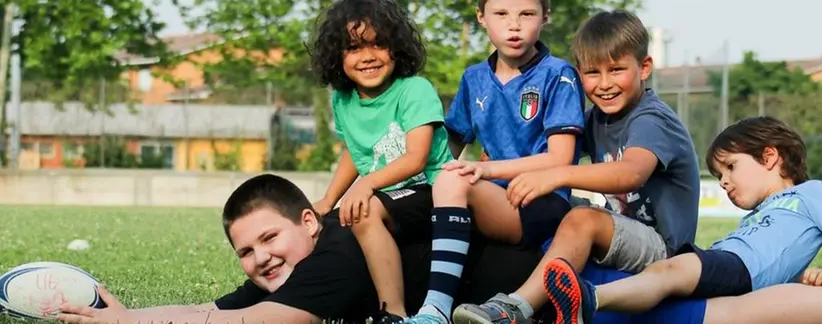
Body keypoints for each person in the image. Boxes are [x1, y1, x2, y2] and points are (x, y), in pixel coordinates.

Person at [451, 9, 701, 324]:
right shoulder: (596, 119)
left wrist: (554, 174)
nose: (605, 84)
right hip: (619, 230)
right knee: (551, 210)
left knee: (582, 217)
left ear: (644, 67)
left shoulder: (651, 118)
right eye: (592, 73)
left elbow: (630, 174)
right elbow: (544, 149)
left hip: (663, 249)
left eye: (617, 69)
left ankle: (516, 308)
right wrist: (498, 161)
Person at [57, 173, 546, 324]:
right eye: (246, 251)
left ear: (310, 222)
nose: (261, 258)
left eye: (270, 238)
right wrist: (129, 315)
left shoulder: (338, 254)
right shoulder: (290, 268)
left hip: (539, 297)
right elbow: (211, 309)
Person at [403, 0, 587, 324]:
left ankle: (435, 309)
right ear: (481, 17)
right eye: (502, 14)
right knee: (434, 182)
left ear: (546, 17)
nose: (514, 26)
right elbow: (449, 146)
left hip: (540, 201)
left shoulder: (559, 75)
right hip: (494, 196)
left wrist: (485, 171)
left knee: (455, 179)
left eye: (527, 14)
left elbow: (560, 159)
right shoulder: (474, 78)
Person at [545, 116, 822, 324]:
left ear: (769, 157)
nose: (724, 183)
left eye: (731, 167)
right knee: (664, 286)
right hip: (728, 266)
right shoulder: (756, 217)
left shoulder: (810, 192)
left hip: (734, 267)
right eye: (719, 176)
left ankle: (589, 299)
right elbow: (779, 264)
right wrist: (804, 276)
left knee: (667, 274)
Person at [308, 0, 454, 319]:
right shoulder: (343, 100)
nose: (368, 56)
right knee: (324, 227)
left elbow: (417, 158)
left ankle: (395, 313)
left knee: (363, 210)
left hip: (433, 190)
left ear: (397, 47)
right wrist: (329, 200)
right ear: (336, 55)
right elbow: (356, 150)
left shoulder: (414, 90)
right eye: (354, 47)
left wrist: (367, 185)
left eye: (378, 44)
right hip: (387, 193)